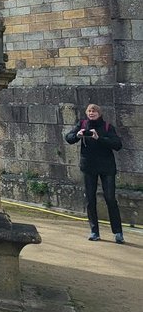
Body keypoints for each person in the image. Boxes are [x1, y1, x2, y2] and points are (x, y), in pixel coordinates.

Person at [66, 103, 124, 243]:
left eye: (94, 111)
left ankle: (118, 232)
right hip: (89, 166)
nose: (92, 113)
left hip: (106, 167)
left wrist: (100, 138)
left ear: (99, 114)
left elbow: (117, 145)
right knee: (90, 199)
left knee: (110, 198)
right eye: (90, 111)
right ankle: (94, 231)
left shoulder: (107, 127)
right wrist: (77, 135)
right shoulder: (82, 124)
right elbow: (69, 138)